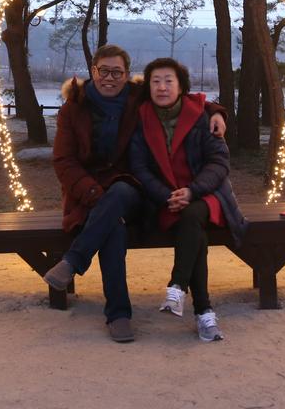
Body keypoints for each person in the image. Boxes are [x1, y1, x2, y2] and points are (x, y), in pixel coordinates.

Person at [46, 44, 227, 343]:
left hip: (131, 188)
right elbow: (64, 161)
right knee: (113, 228)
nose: (109, 78)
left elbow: (181, 97)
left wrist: (215, 112)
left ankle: (74, 261)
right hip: (86, 193)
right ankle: (118, 315)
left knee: (118, 194)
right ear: (93, 71)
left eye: (117, 72)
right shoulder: (73, 108)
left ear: (127, 74)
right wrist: (92, 192)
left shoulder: (135, 96)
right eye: (104, 71)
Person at [129, 57, 247, 343]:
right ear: (148, 87)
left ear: (181, 86)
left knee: (193, 214)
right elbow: (139, 167)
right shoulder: (141, 119)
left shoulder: (202, 116)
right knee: (194, 230)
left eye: (169, 81)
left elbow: (219, 161)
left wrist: (193, 191)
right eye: (156, 81)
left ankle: (178, 285)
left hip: (207, 194)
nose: (162, 87)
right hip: (166, 199)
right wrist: (166, 195)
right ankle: (204, 312)